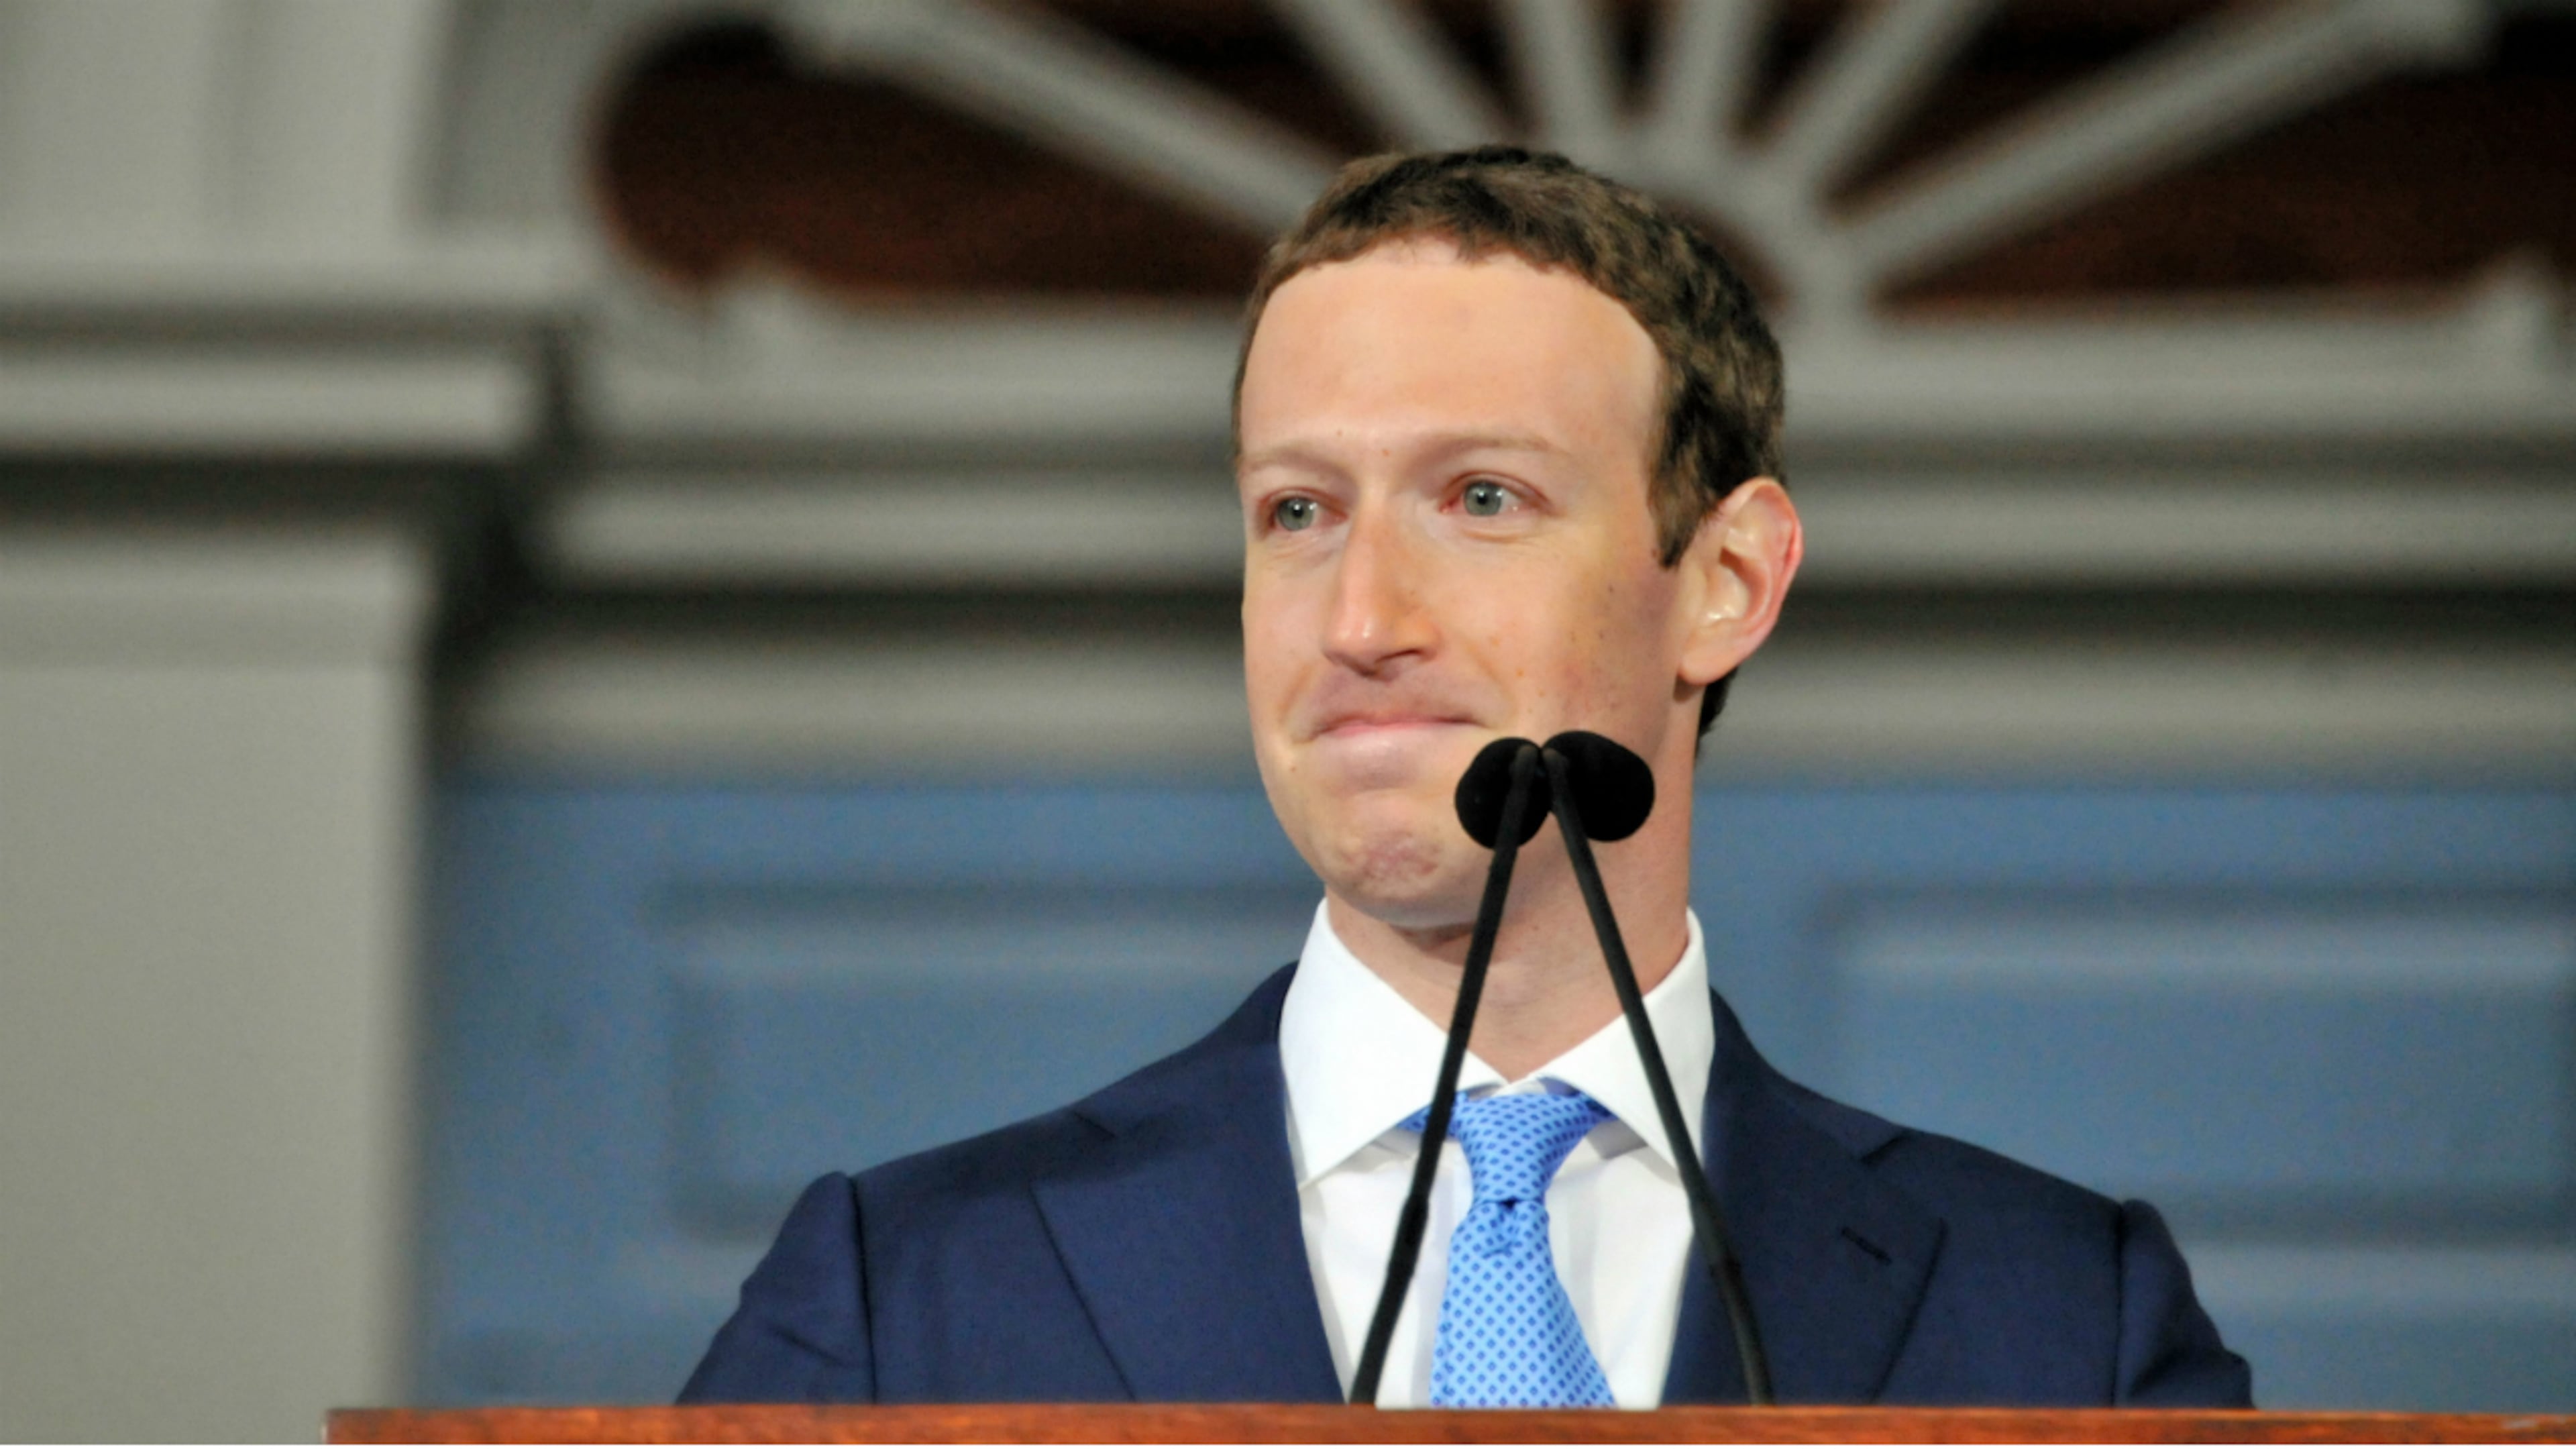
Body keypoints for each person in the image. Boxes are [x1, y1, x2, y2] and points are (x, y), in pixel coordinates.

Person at [678, 148, 2253, 1409]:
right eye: (1298, 513)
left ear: (1727, 581)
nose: (1360, 623)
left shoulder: (2060, 1318)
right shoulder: (905, 1297)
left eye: (1481, 496)